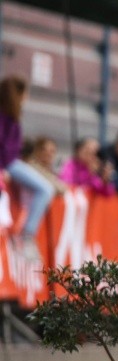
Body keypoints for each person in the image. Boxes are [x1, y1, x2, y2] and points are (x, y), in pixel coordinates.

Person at [0, 75, 55, 261]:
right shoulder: (5, 117)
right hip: (8, 164)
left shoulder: (11, 117)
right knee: (45, 189)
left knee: (45, 186)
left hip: (12, 163)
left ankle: (24, 232)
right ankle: (27, 234)